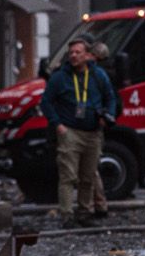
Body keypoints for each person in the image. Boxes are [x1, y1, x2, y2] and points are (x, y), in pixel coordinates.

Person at [42, 34, 118, 224]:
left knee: (88, 176)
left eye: (78, 52)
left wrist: (108, 115)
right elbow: (46, 102)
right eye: (71, 53)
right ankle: (67, 215)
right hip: (70, 131)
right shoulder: (60, 78)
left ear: (87, 55)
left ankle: (85, 213)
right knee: (68, 176)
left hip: (92, 132)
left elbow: (111, 97)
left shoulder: (98, 75)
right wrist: (57, 124)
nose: (74, 56)